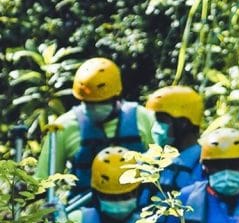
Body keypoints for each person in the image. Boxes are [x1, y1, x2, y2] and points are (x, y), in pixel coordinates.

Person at [36, 57, 154, 194]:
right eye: (89, 103)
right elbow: (43, 181)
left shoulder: (143, 117)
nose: (95, 107)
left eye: (102, 102)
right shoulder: (63, 126)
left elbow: (164, 162)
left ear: (115, 97)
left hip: (142, 203)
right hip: (85, 204)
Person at [144, 85, 204, 193]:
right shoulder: (148, 160)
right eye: (156, 120)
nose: (155, 128)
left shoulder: (203, 166)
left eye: (161, 120)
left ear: (183, 123)